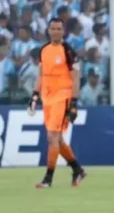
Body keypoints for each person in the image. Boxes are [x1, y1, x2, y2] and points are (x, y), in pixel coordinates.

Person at [29, 17, 86, 189]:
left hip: (63, 96)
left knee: (52, 137)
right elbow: (41, 75)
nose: (55, 32)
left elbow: (75, 78)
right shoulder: (44, 50)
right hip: (48, 97)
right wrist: (34, 96)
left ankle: (48, 179)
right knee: (58, 139)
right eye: (53, 28)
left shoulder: (68, 51)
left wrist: (74, 102)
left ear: (63, 31)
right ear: (48, 30)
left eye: (58, 29)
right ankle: (78, 170)